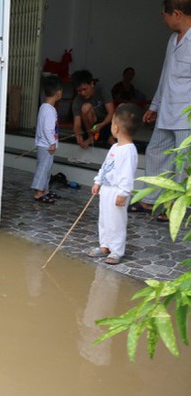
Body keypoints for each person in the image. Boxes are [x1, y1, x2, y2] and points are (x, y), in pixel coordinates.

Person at [130, 0, 191, 221]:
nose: (163, 20)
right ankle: (151, 200)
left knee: (183, 163)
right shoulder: (173, 39)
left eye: (164, 15)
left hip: (187, 117)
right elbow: (165, 76)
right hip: (166, 112)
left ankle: (175, 207)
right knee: (156, 151)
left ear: (176, 14)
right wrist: (154, 106)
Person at [87, 103, 142, 265]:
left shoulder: (129, 150)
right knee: (104, 219)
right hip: (106, 190)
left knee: (116, 222)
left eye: (111, 124)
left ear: (116, 128)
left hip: (117, 192)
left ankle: (116, 251)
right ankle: (105, 245)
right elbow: (105, 167)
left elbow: (127, 174)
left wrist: (123, 193)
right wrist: (98, 181)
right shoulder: (115, 147)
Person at [31, 76, 63, 203]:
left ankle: (45, 190)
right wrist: (52, 143)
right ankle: (39, 192)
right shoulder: (50, 110)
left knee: (47, 169)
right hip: (46, 146)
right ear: (58, 92)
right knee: (44, 169)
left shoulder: (43, 107)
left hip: (43, 145)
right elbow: (47, 129)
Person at [72, 70, 115, 149]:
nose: (83, 93)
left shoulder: (102, 90)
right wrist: (78, 134)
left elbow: (111, 113)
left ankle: (107, 137)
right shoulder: (77, 100)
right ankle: (91, 137)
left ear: (92, 84)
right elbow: (77, 124)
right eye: (79, 91)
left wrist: (101, 125)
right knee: (85, 107)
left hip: (105, 125)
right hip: (91, 129)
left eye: (85, 89)